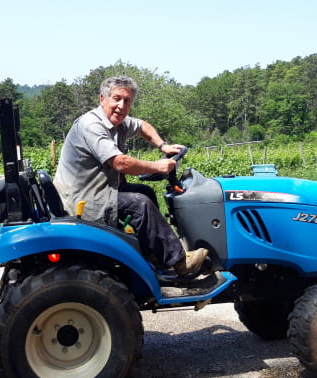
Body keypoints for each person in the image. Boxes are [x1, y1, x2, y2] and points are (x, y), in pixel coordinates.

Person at [53, 76, 208, 277]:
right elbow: (120, 162)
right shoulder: (91, 125)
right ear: (103, 99)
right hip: (83, 198)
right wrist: (158, 166)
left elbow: (143, 125)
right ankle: (179, 262)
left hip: (101, 190)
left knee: (145, 192)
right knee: (139, 203)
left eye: (127, 101)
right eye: (116, 98)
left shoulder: (119, 122)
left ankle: (154, 254)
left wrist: (163, 145)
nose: (121, 105)